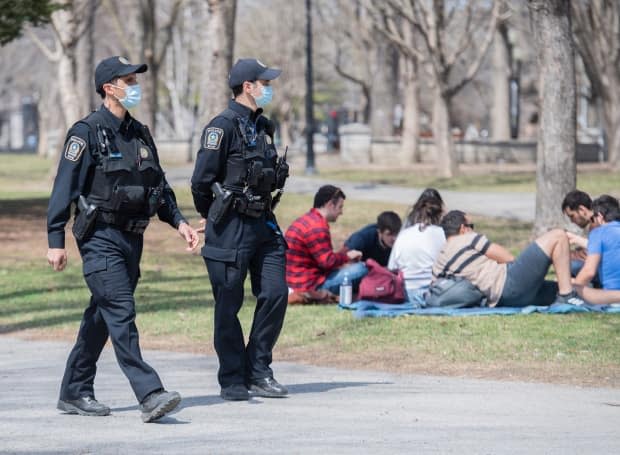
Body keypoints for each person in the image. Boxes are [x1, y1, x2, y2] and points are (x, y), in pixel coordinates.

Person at [46, 56, 199, 422]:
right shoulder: (85, 132)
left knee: (102, 314)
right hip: (99, 237)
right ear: (108, 87)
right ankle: (150, 393)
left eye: (135, 80)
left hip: (133, 239)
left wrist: (179, 223)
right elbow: (63, 189)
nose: (134, 87)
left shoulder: (140, 133)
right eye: (127, 80)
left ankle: (74, 391)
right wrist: (55, 239)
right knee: (121, 311)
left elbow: (158, 187)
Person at [191, 58, 290, 401]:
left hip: (264, 224)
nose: (269, 87)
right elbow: (201, 182)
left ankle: (259, 369)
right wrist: (212, 214)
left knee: (276, 293)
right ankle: (232, 378)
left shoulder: (264, 127)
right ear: (248, 86)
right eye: (264, 82)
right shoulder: (222, 127)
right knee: (228, 305)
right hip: (230, 227)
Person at [432, 210, 585, 307]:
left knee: (569, 289)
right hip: (509, 284)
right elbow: (508, 257)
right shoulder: (468, 239)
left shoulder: (440, 258)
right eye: (471, 225)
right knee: (558, 235)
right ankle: (566, 296)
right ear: (463, 228)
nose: (473, 229)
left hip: (500, 300)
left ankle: (571, 293)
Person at [285, 185, 365, 298]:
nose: (341, 212)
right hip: (309, 285)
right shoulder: (317, 227)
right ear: (330, 205)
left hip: (294, 280)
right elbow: (327, 262)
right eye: (340, 207)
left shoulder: (306, 220)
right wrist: (348, 256)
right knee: (362, 268)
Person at [388, 189, 445, 305]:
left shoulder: (404, 235)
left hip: (407, 294)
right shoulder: (443, 234)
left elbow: (391, 267)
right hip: (434, 293)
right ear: (439, 213)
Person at [573, 196, 620, 304]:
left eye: (593, 218)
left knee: (570, 286)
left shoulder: (598, 233)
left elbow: (589, 271)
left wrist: (572, 290)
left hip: (612, 294)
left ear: (599, 216)